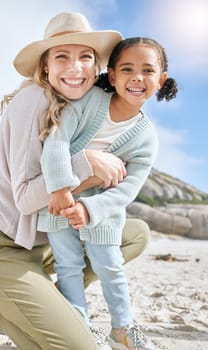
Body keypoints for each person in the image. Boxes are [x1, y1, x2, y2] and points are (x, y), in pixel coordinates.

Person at [0, 12, 152, 350]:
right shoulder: (32, 102)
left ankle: (27, 301)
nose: (75, 67)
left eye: (85, 57)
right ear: (45, 66)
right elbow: (25, 199)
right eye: (62, 56)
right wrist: (89, 165)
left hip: (44, 242)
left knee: (134, 235)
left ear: (97, 66)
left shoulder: (84, 107)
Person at [37, 37, 178, 350]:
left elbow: (129, 187)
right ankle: (81, 326)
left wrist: (92, 209)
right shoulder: (87, 102)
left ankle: (122, 329)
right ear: (112, 75)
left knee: (110, 267)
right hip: (59, 203)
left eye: (147, 70)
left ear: (160, 80)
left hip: (104, 212)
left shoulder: (146, 137)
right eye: (127, 69)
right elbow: (56, 142)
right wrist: (61, 189)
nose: (137, 77)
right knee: (68, 266)